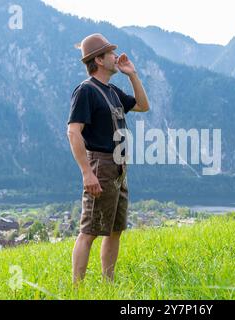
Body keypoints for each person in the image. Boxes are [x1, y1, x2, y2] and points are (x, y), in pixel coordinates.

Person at [67, 33, 150, 285]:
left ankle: (108, 284)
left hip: (118, 167)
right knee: (89, 231)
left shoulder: (112, 91)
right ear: (99, 60)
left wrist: (132, 74)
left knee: (115, 229)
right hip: (100, 165)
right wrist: (87, 172)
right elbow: (73, 131)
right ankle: (76, 289)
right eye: (111, 53)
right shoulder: (85, 91)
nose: (117, 56)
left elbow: (143, 106)